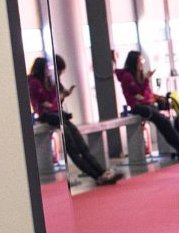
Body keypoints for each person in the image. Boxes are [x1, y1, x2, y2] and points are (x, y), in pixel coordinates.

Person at [26, 55, 122, 185]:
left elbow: (54, 101)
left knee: (82, 146)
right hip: (48, 115)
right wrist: (56, 99)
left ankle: (102, 172)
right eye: (48, 68)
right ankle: (98, 175)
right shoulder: (34, 83)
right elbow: (45, 103)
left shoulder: (50, 81)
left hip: (57, 115)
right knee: (74, 149)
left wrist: (61, 96)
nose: (50, 71)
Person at [115, 50, 179, 161]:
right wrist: (144, 81)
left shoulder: (137, 75)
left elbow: (145, 93)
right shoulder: (127, 77)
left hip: (146, 105)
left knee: (165, 123)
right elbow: (137, 93)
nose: (142, 63)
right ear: (134, 61)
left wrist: (146, 82)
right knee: (164, 122)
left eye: (142, 60)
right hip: (137, 107)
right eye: (140, 60)